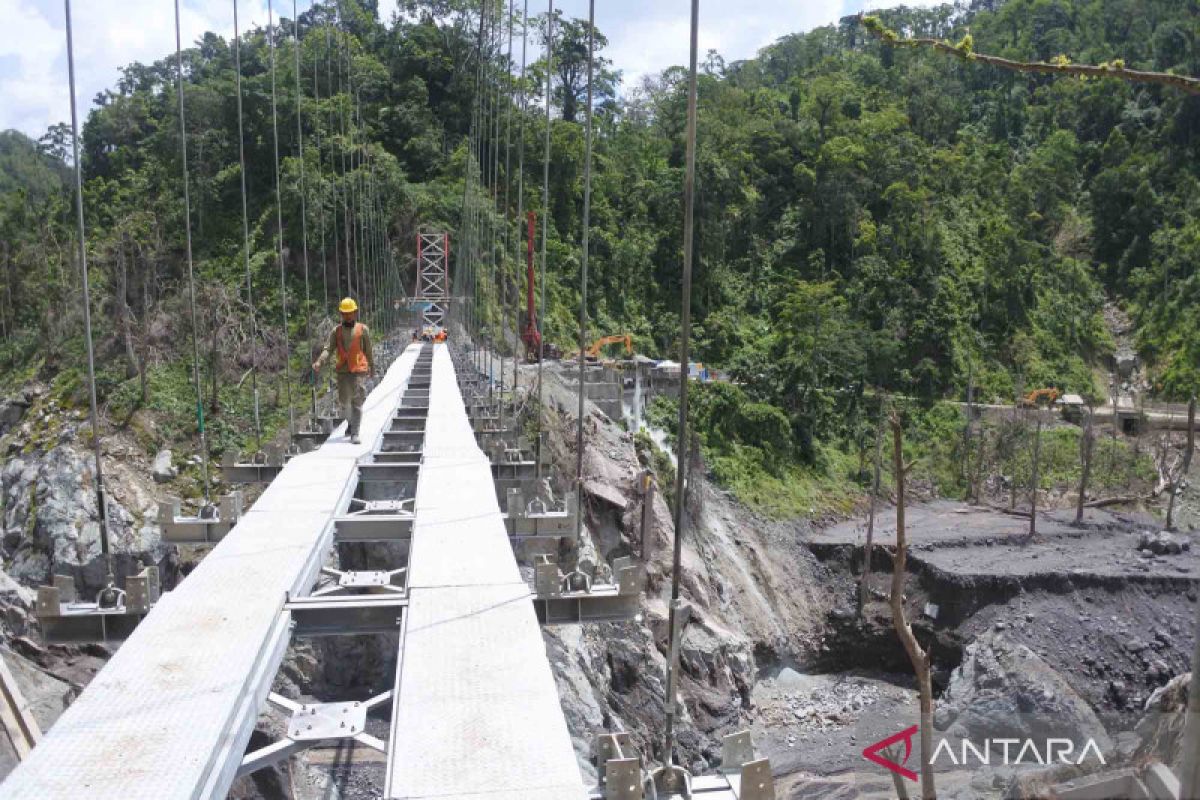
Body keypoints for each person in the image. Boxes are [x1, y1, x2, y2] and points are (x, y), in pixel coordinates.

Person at [312, 297, 375, 444]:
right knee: (344, 402)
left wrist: (372, 366)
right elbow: (328, 349)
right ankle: (350, 423)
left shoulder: (362, 329)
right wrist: (320, 361)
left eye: (350, 313)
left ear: (355, 312)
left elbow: (369, 350)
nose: (347, 316)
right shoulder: (336, 331)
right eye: (344, 313)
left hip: (359, 369)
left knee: (357, 401)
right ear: (341, 314)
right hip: (343, 370)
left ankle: (355, 433)